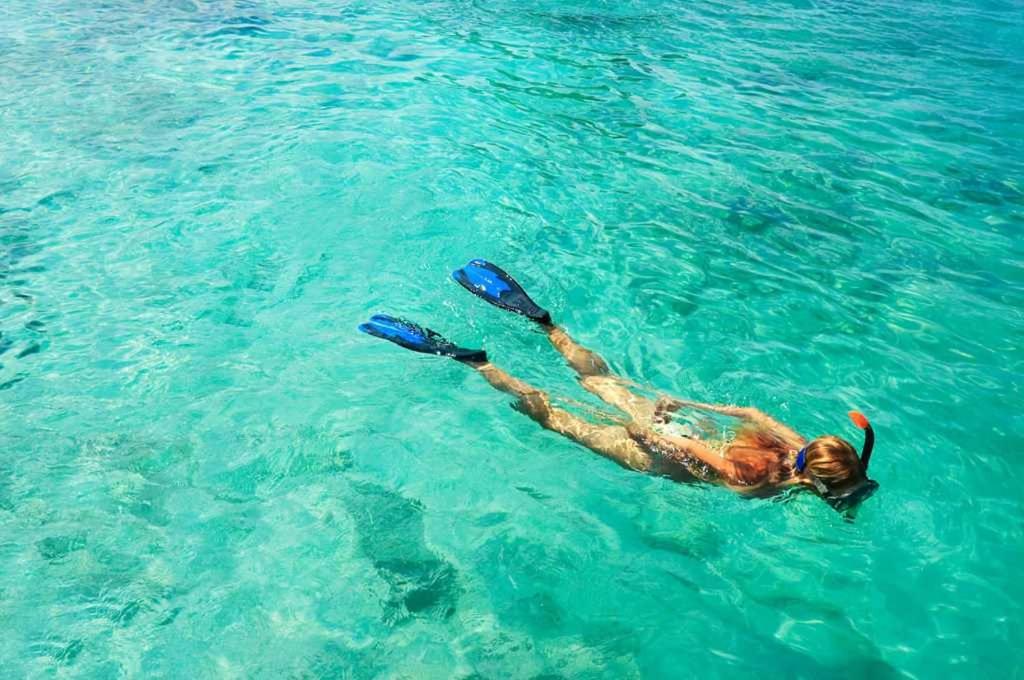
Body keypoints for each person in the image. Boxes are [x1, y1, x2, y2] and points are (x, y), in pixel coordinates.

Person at [360, 260, 879, 513]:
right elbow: (694, 455)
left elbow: (749, 413)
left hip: (678, 420)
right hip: (657, 449)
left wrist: (678, 404)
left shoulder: (797, 445)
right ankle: (475, 362)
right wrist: (645, 435)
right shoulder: (757, 478)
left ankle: (546, 325)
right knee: (554, 415)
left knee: (599, 378)